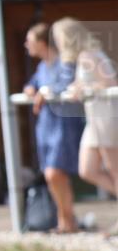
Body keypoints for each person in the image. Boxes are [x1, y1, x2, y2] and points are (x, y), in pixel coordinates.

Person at [23, 23, 85, 233]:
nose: (26, 45)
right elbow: (32, 85)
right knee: (53, 175)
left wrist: (45, 91)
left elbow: (65, 85)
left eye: (29, 41)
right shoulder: (42, 67)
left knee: (54, 173)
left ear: (41, 43)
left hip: (63, 126)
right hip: (46, 127)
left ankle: (67, 218)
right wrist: (32, 89)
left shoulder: (64, 63)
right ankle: (65, 221)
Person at [54, 19, 118, 209]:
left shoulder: (88, 56)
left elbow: (111, 84)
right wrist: (77, 89)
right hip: (94, 120)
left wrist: (85, 89)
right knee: (87, 170)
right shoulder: (83, 57)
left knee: (114, 169)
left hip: (105, 118)